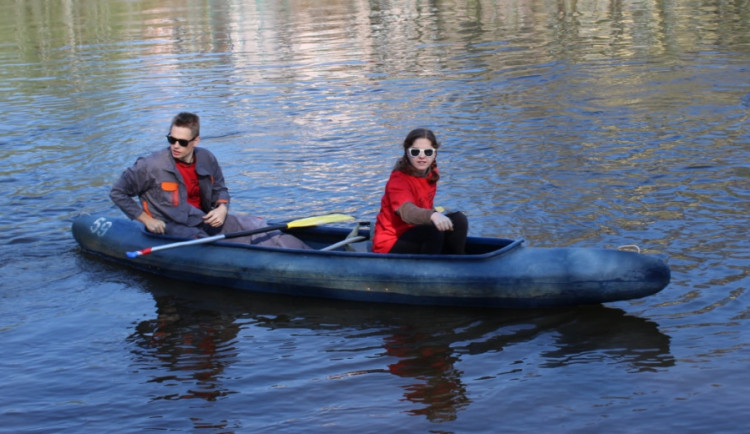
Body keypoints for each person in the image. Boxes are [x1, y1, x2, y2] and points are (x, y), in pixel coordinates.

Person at [110, 112, 308, 249]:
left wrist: (222, 208)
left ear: (196, 141)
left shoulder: (207, 158)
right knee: (204, 241)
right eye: (171, 139)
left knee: (254, 225)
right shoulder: (150, 165)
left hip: (203, 218)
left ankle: (313, 254)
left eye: (182, 142)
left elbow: (221, 189)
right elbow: (118, 193)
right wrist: (147, 220)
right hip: (172, 225)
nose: (175, 146)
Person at [372, 128, 468, 254]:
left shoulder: (432, 173)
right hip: (390, 243)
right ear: (407, 153)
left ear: (434, 154)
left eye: (428, 152)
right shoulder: (398, 180)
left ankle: (456, 264)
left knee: (459, 220)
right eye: (415, 151)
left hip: (418, 234)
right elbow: (406, 211)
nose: (422, 156)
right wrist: (432, 215)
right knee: (432, 230)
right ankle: (430, 270)